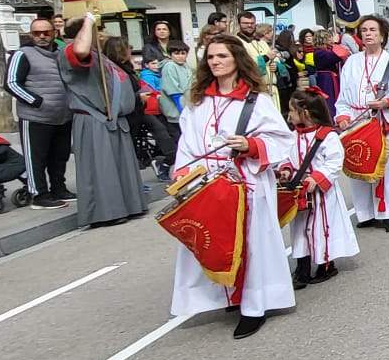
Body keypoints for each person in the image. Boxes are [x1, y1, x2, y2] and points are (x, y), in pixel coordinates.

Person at [171, 34, 297, 339]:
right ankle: (227, 295)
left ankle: (254, 306)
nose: (215, 62)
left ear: (237, 60)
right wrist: (183, 174)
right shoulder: (198, 103)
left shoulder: (258, 102)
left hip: (246, 181)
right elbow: (186, 143)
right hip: (207, 182)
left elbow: (282, 140)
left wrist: (251, 145)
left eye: (222, 56)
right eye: (211, 57)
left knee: (251, 245)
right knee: (216, 241)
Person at [60, 14, 149, 228]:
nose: (101, 34)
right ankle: (106, 212)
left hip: (114, 120)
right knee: (103, 168)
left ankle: (127, 206)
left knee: (119, 167)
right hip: (94, 120)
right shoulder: (71, 52)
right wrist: (87, 19)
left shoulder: (100, 56)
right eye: (95, 30)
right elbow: (80, 51)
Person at [336, 15, 389, 229]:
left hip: (384, 122)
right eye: (364, 31)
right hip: (358, 122)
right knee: (361, 162)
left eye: (372, 30)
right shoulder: (351, 63)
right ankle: (366, 212)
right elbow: (343, 96)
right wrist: (343, 116)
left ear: (382, 35)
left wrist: (387, 103)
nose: (368, 34)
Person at [283, 88, 357, 288]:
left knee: (321, 227)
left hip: (321, 195)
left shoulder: (327, 136)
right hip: (300, 192)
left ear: (305, 113)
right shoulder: (292, 136)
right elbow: (286, 157)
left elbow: (334, 161)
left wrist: (317, 177)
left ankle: (326, 263)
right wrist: (286, 170)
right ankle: (302, 266)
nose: (288, 114)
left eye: (292, 110)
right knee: (299, 230)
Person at [7, 16, 73, 210]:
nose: (42, 36)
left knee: (59, 156)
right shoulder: (22, 54)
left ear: (54, 33)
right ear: (31, 34)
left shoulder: (61, 53)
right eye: (37, 33)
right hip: (35, 117)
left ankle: (59, 189)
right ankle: (39, 195)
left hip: (62, 116)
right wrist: (36, 101)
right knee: (37, 158)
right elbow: (11, 83)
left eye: (46, 32)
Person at [109, 38, 176, 179]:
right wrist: (139, 97)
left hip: (140, 109)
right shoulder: (114, 70)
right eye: (128, 50)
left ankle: (168, 159)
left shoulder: (127, 67)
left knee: (166, 132)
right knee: (155, 134)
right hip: (131, 112)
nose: (130, 53)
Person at [296, 29, 342, 102]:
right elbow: (337, 56)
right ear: (323, 39)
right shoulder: (320, 52)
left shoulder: (324, 51)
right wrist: (336, 43)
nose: (331, 39)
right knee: (329, 99)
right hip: (326, 78)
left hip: (328, 77)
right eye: (329, 38)